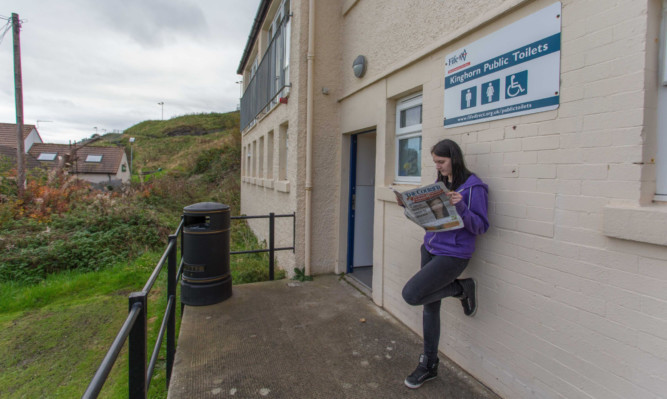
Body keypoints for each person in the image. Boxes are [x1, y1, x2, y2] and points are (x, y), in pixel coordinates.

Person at [400, 138, 489, 389]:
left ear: (454, 159)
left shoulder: (474, 188)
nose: (438, 166)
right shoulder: (439, 185)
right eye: (435, 162)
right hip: (430, 248)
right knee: (430, 306)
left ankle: (461, 288)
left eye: (441, 162)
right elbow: (432, 220)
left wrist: (461, 208)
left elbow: (480, 226)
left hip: (454, 255)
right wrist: (411, 210)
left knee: (412, 294)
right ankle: (429, 364)